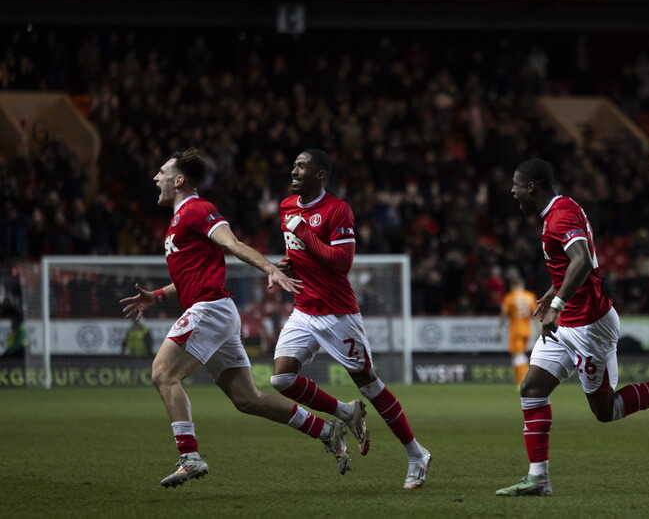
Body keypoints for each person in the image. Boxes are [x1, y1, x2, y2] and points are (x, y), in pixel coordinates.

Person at [119, 148, 352, 489]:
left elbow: (233, 244)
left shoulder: (198, 209)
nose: (156, 178)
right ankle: (326, 429)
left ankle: (190, 457)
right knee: (248, 399)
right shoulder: (179, 218)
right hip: (215, 311)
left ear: (179, 180)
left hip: (210, 309)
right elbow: (190, 275)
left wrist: (270, 267)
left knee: (162, 374)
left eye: (162, 172)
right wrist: (156, 296)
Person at [495, 158, 649, 497]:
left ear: (532, 188)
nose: (512, 191)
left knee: (606, 410)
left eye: (516, 185)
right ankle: (538, 478)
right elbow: (579, 265)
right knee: (532, 389)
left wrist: (557, 305)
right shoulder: (562, 209)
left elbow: (582, 261)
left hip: (590, 324)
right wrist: (554, 291)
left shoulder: (561, 215)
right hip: (569, 320)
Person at [270, 149, 431, 490]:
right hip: (304, 309)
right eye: (294, 164)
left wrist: (306, 233)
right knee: (281, 379)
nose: (294, 169)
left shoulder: (337, 209)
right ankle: (345, 412)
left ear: (321, 175)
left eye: (302, 165)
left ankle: (417, 454)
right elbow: (298, 252)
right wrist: (287, 265)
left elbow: (341, 262)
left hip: (337, 313)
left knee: (369, 384)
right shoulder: (286, 207)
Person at [495, 271, 537, 385]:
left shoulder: (510, 297)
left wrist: (498, 330)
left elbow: (503, 315)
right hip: (527, 330)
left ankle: (521, 380)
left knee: (517, 354)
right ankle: (524, 379)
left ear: (512, 286)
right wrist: (538, 329)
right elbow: (535, 314)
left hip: (515, 329)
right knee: (522, 353)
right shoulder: (530, 296)